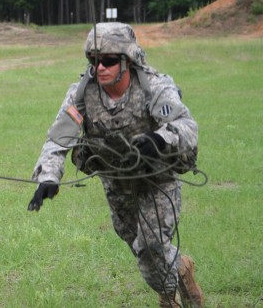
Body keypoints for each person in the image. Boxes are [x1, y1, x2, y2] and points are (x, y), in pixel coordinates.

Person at [27, 22, 204, 308]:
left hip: (156, 179)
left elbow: (187, 127)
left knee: (150, 248)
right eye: (94, 61)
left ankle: (168, 299)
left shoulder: (154, 87)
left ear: (127, 61)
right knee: (138, 246)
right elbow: (59, 137)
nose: (100, 68)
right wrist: (48, 177)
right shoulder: (83, 92)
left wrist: (159, 139)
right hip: (116, 182)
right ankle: (181, 269)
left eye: (108, 61)